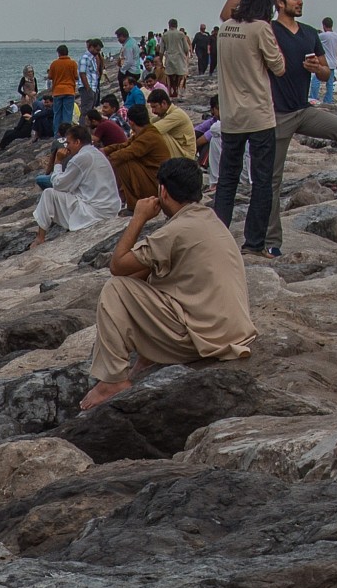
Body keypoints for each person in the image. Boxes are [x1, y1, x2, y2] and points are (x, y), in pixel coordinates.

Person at [83, 157, 257, 411]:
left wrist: (138, 218)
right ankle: (147, 357)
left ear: (162, 191)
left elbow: (118, 266)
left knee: (116, 290)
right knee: (154, 279)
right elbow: (154, 276)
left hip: (203, 340)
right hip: (231, 332)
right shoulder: (208, 218)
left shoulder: (176, 230)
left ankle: (113, 381)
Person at [264, 0, 337, 253]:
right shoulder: (269, 31)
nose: (300, 2)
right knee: (272, 180)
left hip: (304, 110)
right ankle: (271, 242)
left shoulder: (310, 33)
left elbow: (326, 72)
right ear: (280, 2)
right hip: (277, 115)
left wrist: (317, 68)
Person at [209, 0, 288, 256]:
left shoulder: (227, 27)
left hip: (231, 116)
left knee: (227, 180)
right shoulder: (261, 28)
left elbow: (226, 10)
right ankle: (253, 242)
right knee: (261, 180)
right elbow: (278, 67)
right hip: (258, 115)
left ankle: (218, 237)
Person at [31, 123, 118, 242]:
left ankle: (39, 238)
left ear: (77, 142)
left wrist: (58, 161)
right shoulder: (95, 152)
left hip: (95, 212)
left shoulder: (81, 158)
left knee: (48, 194)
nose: (66, 146)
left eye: (68, 143)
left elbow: (58, 184)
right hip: (109, 208)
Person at [105, 101, 173, 207]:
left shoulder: (149, 136)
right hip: (152, 176)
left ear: (131, 122)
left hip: (157, 181)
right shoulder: (145, 132)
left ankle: (133, 205)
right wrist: (104, 150)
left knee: (124, 162)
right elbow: (124, 145)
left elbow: (127, 152)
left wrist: (104, 161)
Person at [149, 86, 199, 162]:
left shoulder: (177, 114)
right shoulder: (164, 114)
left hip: (185, 156)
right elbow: (147, 124)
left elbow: (153, 130)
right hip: (177, 150)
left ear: (164, 103)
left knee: (157, 133)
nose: (153, 111)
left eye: (155, 107)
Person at [47, 44, 80, 135]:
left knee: (57, 114)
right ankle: (67, 134)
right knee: (67, 114)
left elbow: (50, 76)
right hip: (69, 90)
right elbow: (76, 77)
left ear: (59, 53)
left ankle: (56, 134)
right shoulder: (73, 63)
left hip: (57, 91)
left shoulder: (54, 63)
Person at [161, 19, 193, 87]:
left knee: (169, 76)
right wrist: (186, 55)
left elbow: (161, 51)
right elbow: (186, 48)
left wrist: (161, 61)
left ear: (169, 25)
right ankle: (178, 89)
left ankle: (171, 91)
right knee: (180, 75)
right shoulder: (181, 34)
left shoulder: (165, 35)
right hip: (179, 58)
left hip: (169, 58)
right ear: (177, 25)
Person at [319, 16, 337, 98]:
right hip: (333, 62)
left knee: (316, 81)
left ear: (324, 25)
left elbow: (317, 39)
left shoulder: (323, 35)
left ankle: (313, 97)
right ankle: (328, 99)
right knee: (330, 83)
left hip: (325, 62)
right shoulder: (336, 35)